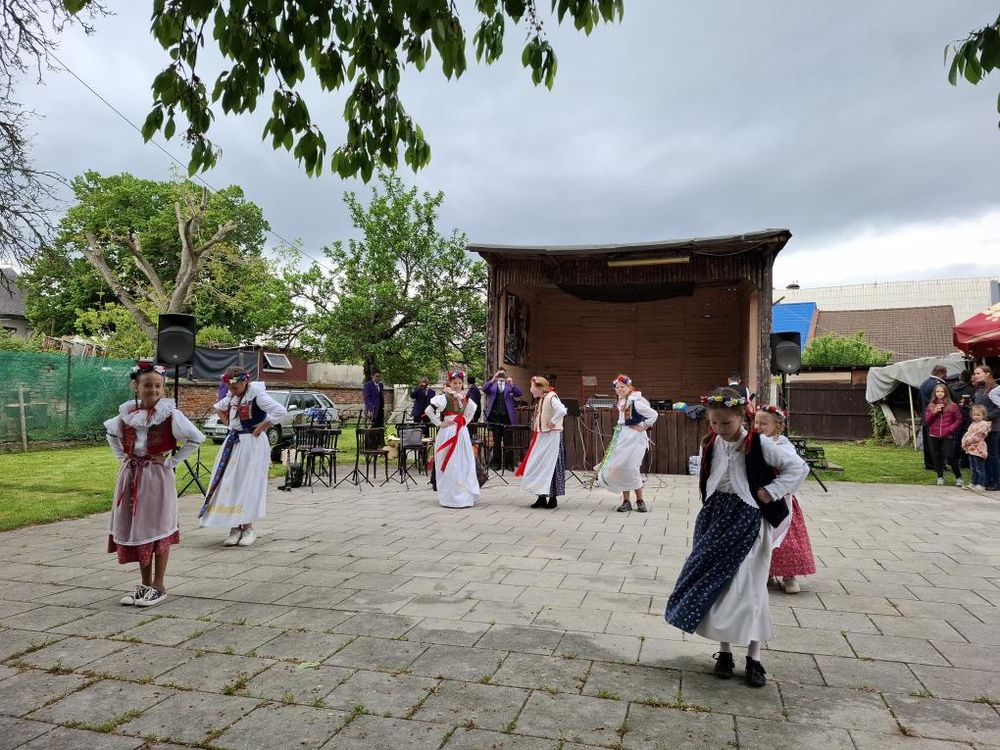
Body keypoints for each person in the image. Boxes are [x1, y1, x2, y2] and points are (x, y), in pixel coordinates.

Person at [664, 387, 807, 688]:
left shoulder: (758, 443)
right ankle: (725, 652)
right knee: (718, 585)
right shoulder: (711, 442)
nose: (719, 428)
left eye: (726, 423)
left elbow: (798, 467)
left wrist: (772, 491)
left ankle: (754, 657)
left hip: (748, 520)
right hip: (715, 518)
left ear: (743, 417)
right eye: (714, 423)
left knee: (751, 588)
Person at [104, 361, 205, 608]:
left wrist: (171, 461)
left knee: (156, 526)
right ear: (136, 386)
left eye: (158, 386)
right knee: (139, 528)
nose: (153, 390)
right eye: (148, 385)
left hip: (156, 477)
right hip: (131, 475)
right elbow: (112, 435)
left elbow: (195, 438)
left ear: (164, 388)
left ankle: (159, 585)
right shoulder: (127, 413)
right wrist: (123, 457)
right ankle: (145, 584)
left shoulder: (170, 414)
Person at [200, 366, 288, 546]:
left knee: (247, 483)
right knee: (229, 482)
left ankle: (248, 527)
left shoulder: (257, 395)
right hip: (234, 441)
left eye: (235, 387)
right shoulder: (232, 396)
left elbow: (280, 411)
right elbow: (218, 408)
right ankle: (234, 527)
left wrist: (262, 426)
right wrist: (228, 423)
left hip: (252, 443)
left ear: (245, 382)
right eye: (230, 388)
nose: (232, 391)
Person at [755, 406, 815, 594]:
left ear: (777, 425)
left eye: (763, 423)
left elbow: (798, 468)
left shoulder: (782, 444)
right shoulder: (754, 442)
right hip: (761, 499)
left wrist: (776, 488)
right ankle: (767, 574)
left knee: (788, 541)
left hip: (781, 499)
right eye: (756, 422)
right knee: (763, 538)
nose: (758, 427)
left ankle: (789, 576)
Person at [595, 374, 657, 512]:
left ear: (629, 387)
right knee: (621, 468)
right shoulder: (622, 401)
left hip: (635, 438)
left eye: (622, 387)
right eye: (617, 387)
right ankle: (626, 501)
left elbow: (653, 414)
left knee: (632, 468)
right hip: (623, 437)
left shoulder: (635, 401)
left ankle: (640, 500)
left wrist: (643, 427)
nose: (620, 389)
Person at [425, 370, 480, 508]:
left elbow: (472, 411)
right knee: (449, 463)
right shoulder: (444, 397)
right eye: (454, 383)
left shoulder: (465, 398)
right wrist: (439, 423)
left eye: (460, 383)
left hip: (461, 432)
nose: (457, 385)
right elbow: (428, 410)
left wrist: (464, 421)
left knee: (463, 462)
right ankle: (449, 497)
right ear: (450, 383)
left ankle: (464, 496)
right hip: (448, 432)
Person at [515, 376, 568, 509]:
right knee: (540, 464)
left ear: (540, 388)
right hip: (543, 435)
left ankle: (552, 498)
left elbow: (562, 410)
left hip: (552, 436)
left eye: (532, 387)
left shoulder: (551, 397)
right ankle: (541, 497)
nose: (530, 390)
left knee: (551, 465)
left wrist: (553, 421)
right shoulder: (543, 399)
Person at [482, 368, 523, 470]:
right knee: (496, 442)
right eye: (499, 374)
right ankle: (496, 463)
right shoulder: (492, 385)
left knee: (508, 441)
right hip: (495, 417)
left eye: (503, 374)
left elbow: (519, 393)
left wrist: (512, 383)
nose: (501, 376)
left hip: (507, 417)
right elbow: (484, 389)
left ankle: (508, 463)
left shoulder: (509, 385)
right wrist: (493, 379)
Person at [924, 383, 964, 487]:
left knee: (950, 456)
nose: (940, 393)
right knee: (936, 456)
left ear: (946, 393)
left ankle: (959, 477)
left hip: (947, 435)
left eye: (942, 391)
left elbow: (959, 420)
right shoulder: (931, 405)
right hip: (934, 434)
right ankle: (940, 477)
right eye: (937, 391)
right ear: (934, 393)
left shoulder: (953, 405)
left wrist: (950, 429)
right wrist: (934, 412)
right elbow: (927, 421)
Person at [971, 364, 1000, 491]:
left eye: (978, 373)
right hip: (981, 429)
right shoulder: (979, 388)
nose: (975, 376)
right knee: (983, 455)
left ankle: (997, 482)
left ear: (987, 374)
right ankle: (986, 480)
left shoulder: (995, 389)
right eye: (975, 373)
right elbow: (979, 407)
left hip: (993, 428)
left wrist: (986, 417)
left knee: (993, 455)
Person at [920, 365, 949, 471]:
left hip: (926, 416)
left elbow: (919, 401)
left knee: (928, 444)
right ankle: (939, 465)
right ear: (940, 373)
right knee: (937, 443)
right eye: (945, 373)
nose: (946, 376)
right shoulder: (938, 385)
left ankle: (929, 464)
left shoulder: (924, 383)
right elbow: (941, 401)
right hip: (936, 418)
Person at [961, 404, 992, 492]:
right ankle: (973, 483)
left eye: (978, 415)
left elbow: (977, 436)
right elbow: (967, 434)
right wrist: (964, 442)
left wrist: (967, 441)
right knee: (973, 467)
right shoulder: (973, 424)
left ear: (983, 415)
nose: (976, 417)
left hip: (979, 449)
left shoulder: (984, 424)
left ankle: (981, 485)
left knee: (979, 468)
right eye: (974, 415)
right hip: (971, 449)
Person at [949, 370, 975, 469]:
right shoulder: (971, 389)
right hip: (967, 416)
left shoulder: (950, 387)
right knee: (966, 438)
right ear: (969, 378)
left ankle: (953, 460)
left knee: (955, 439)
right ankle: (964, 461)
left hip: (954, 416)